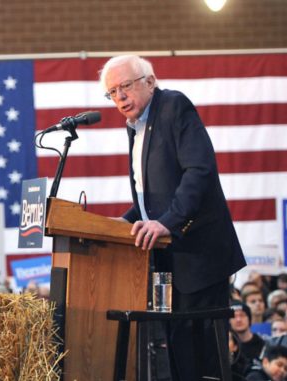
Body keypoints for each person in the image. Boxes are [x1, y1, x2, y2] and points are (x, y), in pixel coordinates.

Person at [99, 54, 246, 380]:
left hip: (199, 256)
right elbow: (151, 198)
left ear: (150, 82)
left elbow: (199, 171)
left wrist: (166, 222)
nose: (120, 96)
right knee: (179, 354)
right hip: (167, 261)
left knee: (204, 357)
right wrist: (119, 224)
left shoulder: (173, 107)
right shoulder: (135, 128)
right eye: (112, 92)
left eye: (125, 86)